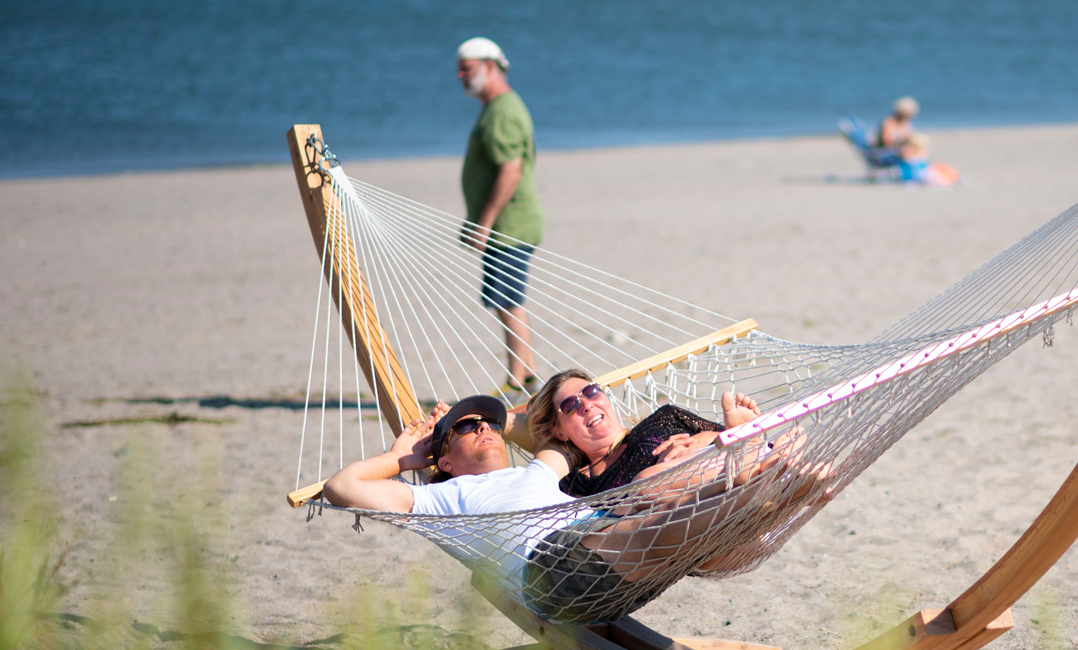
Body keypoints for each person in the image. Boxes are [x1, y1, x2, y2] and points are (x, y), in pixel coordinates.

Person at [320, 394, 816, 623]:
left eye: (487, 424)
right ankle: (764, 468)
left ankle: (788, 483)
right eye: (468, 427)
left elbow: (541, 424)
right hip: (553, 571)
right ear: (444, 458)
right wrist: (400, 457)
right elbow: (343, 487)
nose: (486, 429)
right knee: (658, 518)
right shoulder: (434, 499)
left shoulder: (538, 469)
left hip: (608, 556)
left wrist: (460, 408)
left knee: (671, 507)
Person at [512, 369, 762, 497]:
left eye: (590, 391)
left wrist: (696, 442)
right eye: (570, 406)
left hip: (721, 466)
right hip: (686, 512)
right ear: (560, 432)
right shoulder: (577, 484)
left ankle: (750, 458)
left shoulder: (666, 416)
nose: (586, 404)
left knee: (788, 444)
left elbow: (720, 434)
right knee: (647, 482)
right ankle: (749, 462)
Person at [456, 37, 544, 395]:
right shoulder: (498, 107)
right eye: (460, 69)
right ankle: (526, 376)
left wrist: (485, 223)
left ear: (491, 67)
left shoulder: (502, 110)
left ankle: (517, 380)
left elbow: (510, 170)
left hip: (509, 225)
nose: (461, 75)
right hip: (506, 224)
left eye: (469, 68)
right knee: (506, 299)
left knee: (508, 300)